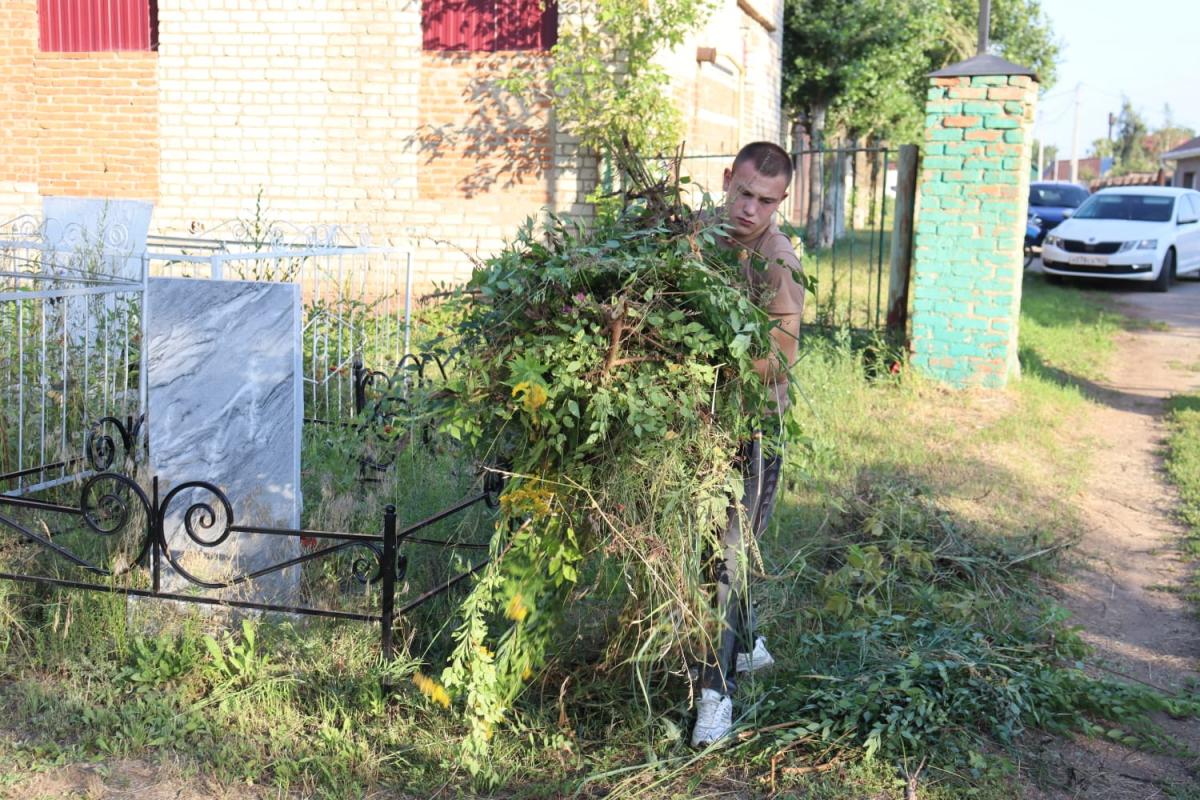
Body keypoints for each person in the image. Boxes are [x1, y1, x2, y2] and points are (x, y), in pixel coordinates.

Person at [692, 141, 805, 748]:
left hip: (753, 429)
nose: (750, 210)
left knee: (727, 562)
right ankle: (749, 644)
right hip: (696, 424)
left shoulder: (777, 261)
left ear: (780, 201)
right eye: (744, 194)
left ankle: (714, 696)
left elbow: (779, 359)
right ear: (727, 178)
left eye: (766, 202)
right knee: (716, 550)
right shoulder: (699, 233)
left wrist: (703, 361)